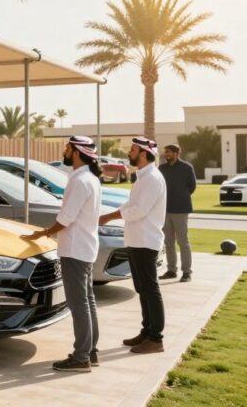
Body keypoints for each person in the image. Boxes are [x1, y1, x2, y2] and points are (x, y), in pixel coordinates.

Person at [24, 136, 102, 372]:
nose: (64, 151)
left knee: (79, 304)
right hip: (85, 247)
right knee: (87, 301)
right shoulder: (90, 178)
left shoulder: (80, 181)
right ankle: (91, 352)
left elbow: (66, 218)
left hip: (76, 249)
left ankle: (81, 358)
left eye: (67, 148)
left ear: (77, 152)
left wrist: (44, 233)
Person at [99, 137, 167, 354]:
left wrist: (109, 216)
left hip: (146, 241)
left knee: (150, 289)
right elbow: (130, 205)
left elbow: (139, 210)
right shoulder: (143, 177)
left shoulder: (152, 179)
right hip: (137, 240)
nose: (130, 152)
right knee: (142, 289)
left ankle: (156, 339)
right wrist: (109, 213)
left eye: (133, 150)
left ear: (144, 154)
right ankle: (146, 332)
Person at [159, 144, 196, 282]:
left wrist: (180, 196)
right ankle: (171, 270)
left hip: (181, 209)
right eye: (165, 152)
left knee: (183, 242)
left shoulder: (187, 167)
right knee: (168, 242)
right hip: (165, 210)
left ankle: (186, 272)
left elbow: (192, 187)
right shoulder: (162, 168)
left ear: (176, 153)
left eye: (168, 152)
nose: (166, 154)